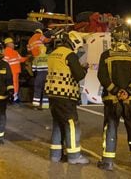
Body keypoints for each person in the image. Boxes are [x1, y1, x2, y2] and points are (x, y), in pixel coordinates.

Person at [96, 25, 131, 171]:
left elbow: (102, 76)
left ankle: (108, 161)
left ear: (114, 37)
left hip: (112, 100)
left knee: (111, 127)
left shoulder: (106, 55)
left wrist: (116, 91)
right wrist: (128, 92)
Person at [45, 31, 89, 165]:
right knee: (72, 125)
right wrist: (84, 69)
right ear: (73, 43)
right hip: (66, 95)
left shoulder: (53, 54)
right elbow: (79, 75)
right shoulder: (69, 55)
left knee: (58, 124)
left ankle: (55, 155)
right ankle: (74, 156)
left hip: (53, 94)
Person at [3, 37, 27, 102]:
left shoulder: (9, 52)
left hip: (11, 72)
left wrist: (27, 58)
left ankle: (11, 97)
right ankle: (13, 97)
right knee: (14, 84)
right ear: (8, 44)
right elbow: (21, 59)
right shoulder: (11, 52)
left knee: (11, 84)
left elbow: (20, 59)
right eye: (12, 43)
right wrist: (28, 58)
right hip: (13, 71)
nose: (13, 45)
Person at [32, 44, 49, 110]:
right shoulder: (48, 57)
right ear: (45, 50)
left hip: (39, 75)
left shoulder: (36, 58)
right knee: (46, 91)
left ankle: (36, 105)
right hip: (47, 76)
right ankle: (45, 106)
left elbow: (33, 69)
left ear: (39, 50)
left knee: (37, 90)